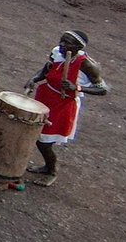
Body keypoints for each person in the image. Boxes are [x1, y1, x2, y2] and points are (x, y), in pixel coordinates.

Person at [22, 30, 108, 187]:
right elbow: (47, 69)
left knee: (44, 142)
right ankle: (47, 167)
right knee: (35, 133)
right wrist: (34, 79)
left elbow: (103, 89)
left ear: (78, 47)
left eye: (67, 43)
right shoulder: (57, 51)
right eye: (61, 40)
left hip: (62, 105)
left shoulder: (87, 65)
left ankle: (52, 171)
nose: (61, 44)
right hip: (45, 97)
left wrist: (77, 87)